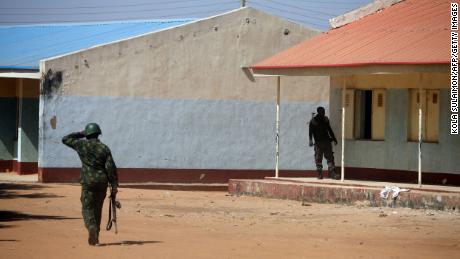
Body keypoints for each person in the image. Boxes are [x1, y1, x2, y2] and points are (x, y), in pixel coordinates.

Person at [62, 123, 118, 246]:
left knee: (87, 208)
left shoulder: (81, 145)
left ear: (87, 134)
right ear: (98, 134)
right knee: (97, 210)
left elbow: (65, 139)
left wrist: (80, 133)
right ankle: (95, 237)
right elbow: (111, 169)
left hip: (88, 182)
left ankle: (91, 226)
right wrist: (114, 187)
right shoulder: (104, 148)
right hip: (102, 183)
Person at [308, 107, 338, 180]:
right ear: (318, 112)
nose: (323, 112)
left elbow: (329, 130)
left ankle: (332, 173)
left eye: (324, 111)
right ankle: (319, 174)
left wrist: (334, 138)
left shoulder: (325, 119)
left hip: (327, 141)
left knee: (330, 158)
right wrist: (310, 140)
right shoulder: (313, 121)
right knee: (318, 158)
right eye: (322, 111)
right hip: (318, 143)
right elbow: (310, 132)